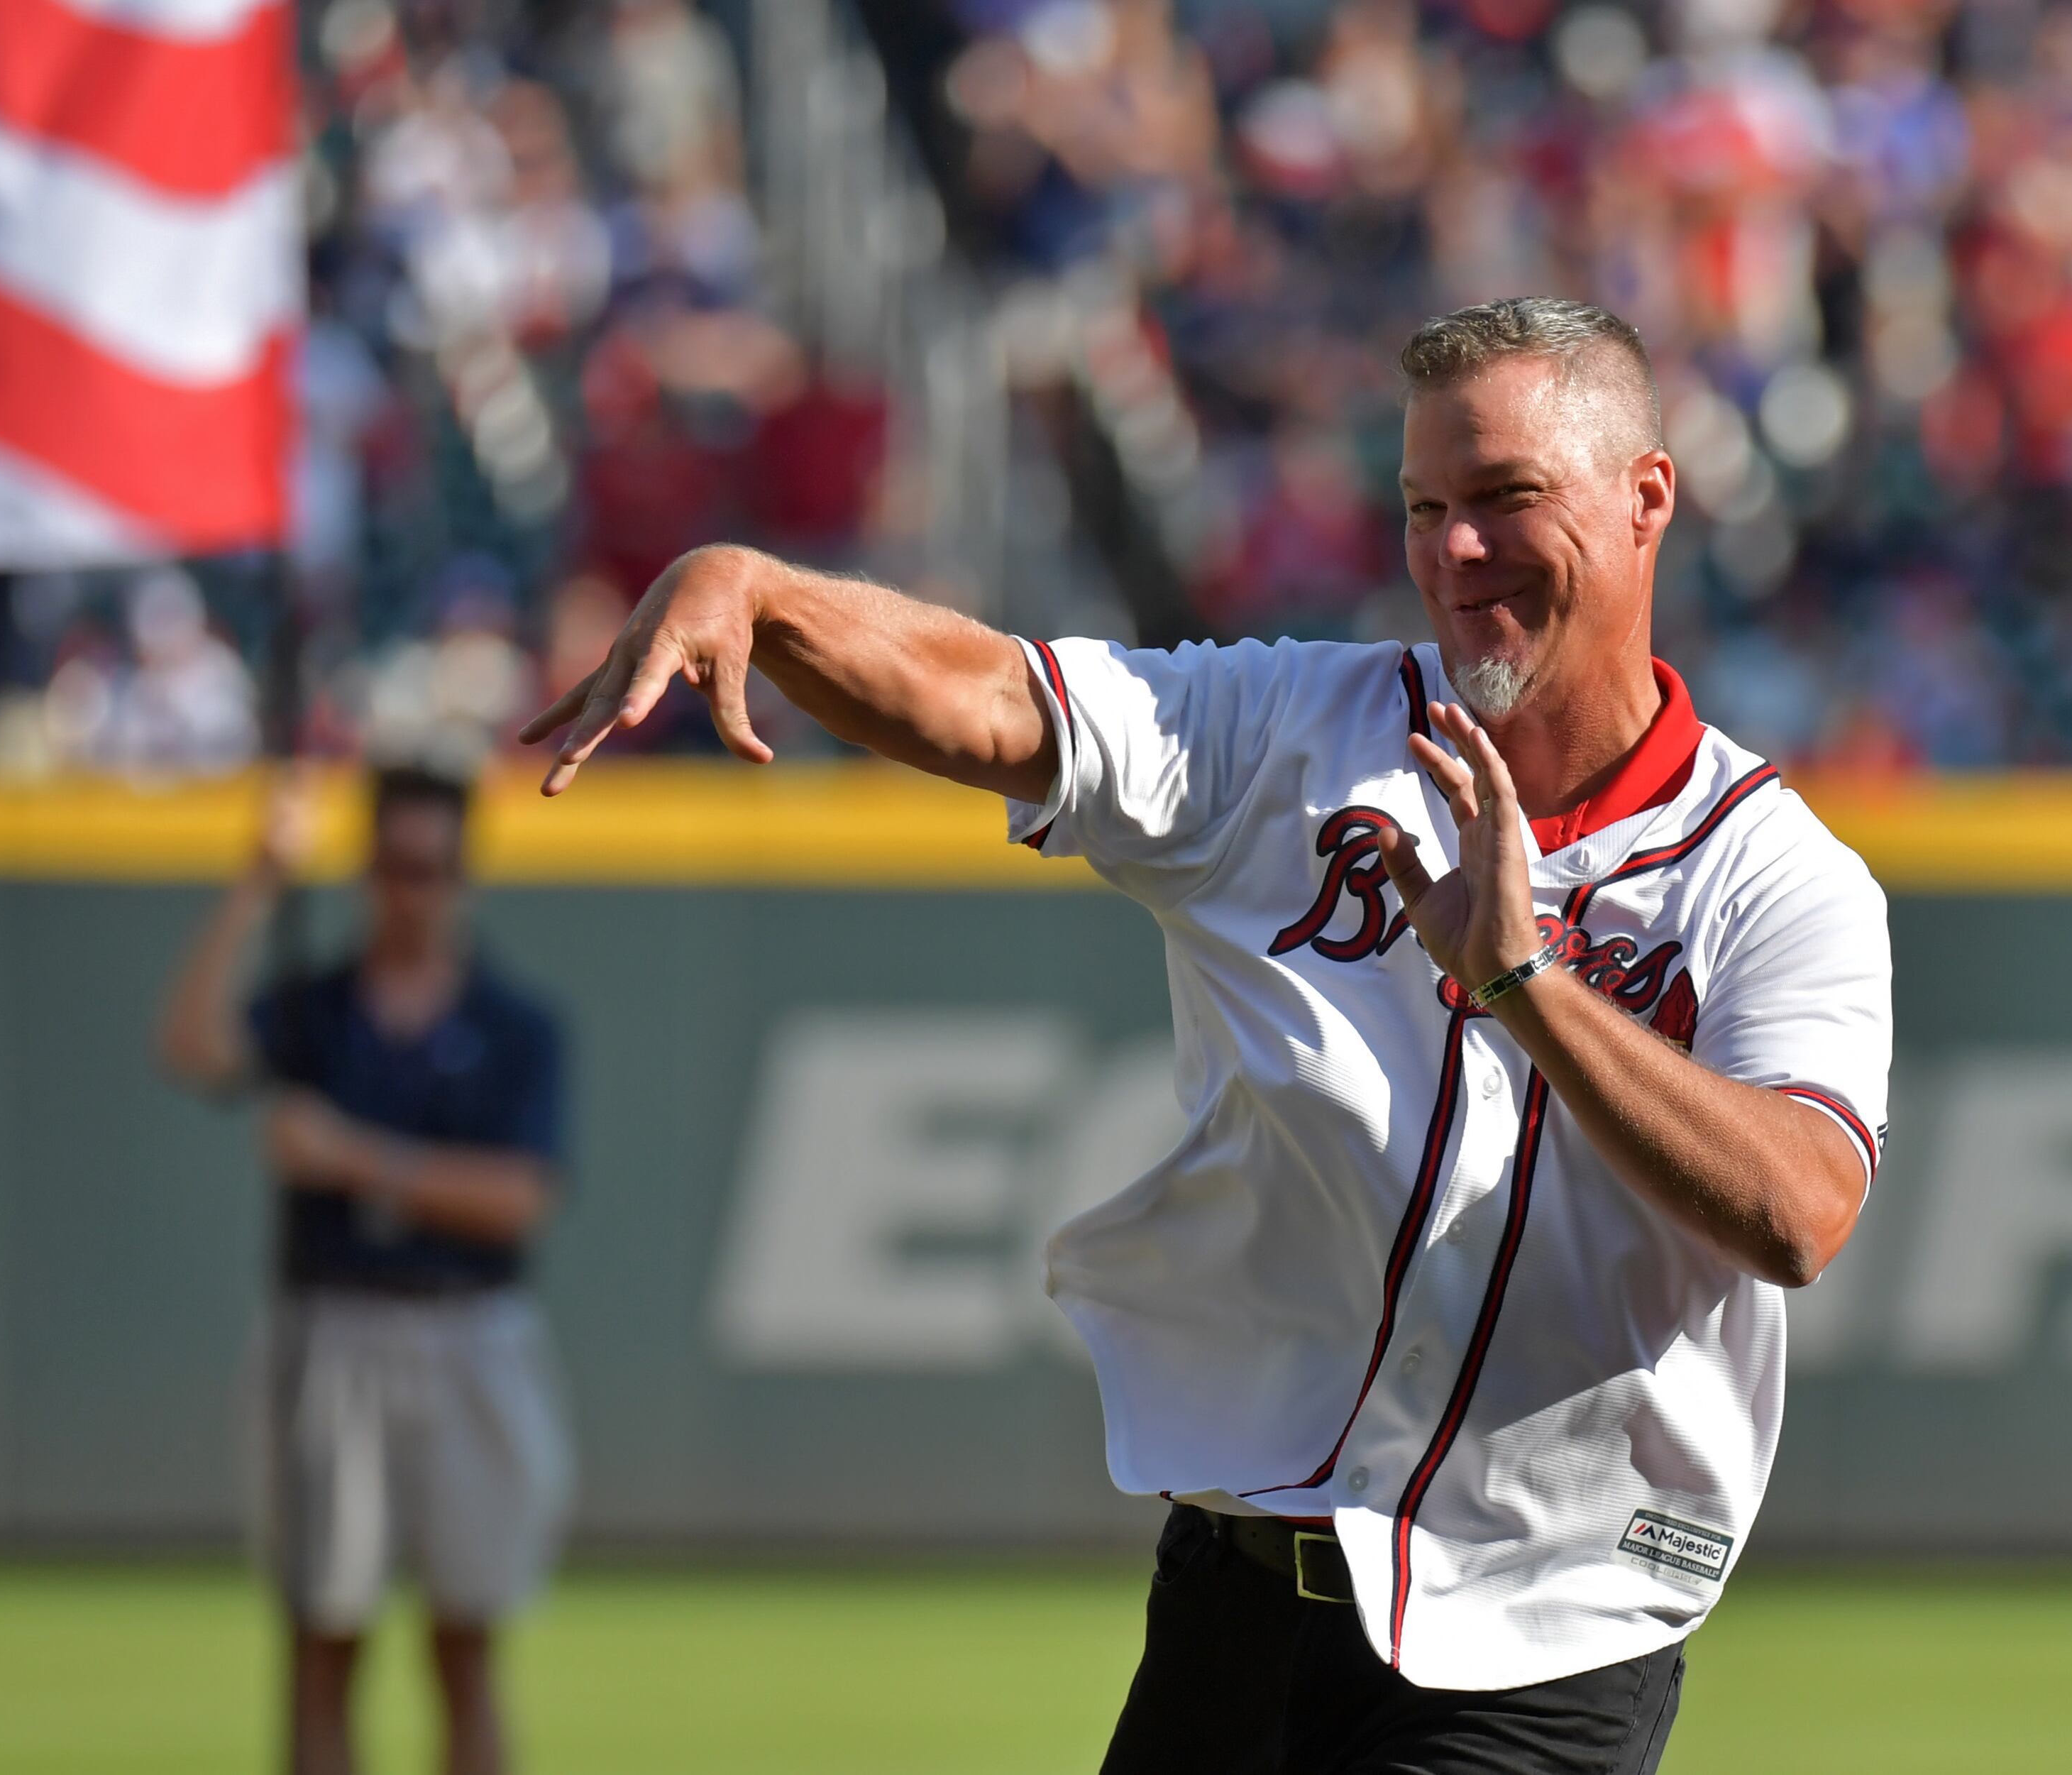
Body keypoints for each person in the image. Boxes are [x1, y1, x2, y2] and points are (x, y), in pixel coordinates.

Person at [525, 296, 1891, 1774]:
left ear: (1646, 500)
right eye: (1426, 507)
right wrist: (763, 593)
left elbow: (1801, 1208)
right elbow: (1004, 700)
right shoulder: (1289, 730)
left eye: (1506, 499)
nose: (1456, 551)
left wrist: (1526, 985)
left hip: (1546, 1630)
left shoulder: (1775, 875)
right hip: (1239, 1597)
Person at [155, 764, 572, 1775]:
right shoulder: (314, 1005)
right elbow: (193, 1045)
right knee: (322, 1638)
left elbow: (523, 1192)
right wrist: (257, 882)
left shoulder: (515, 1024)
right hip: (330, 1322)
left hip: (466, 1320)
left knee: (466, 1639)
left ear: (461, 876)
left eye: (429, 869)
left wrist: (357, 1157)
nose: (408, 890)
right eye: (390, 867)